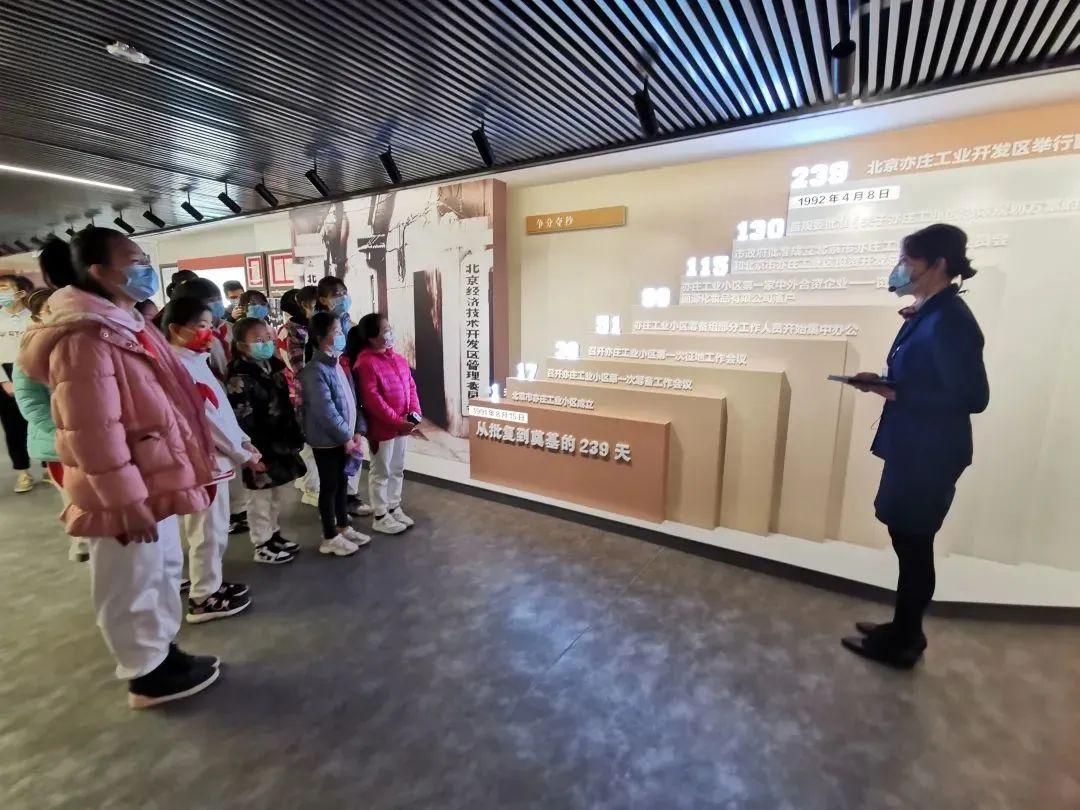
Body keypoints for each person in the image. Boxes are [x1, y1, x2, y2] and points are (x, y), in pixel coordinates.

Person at [20, 229, 220, 708]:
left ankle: (160, 652)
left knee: (160, 568)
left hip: (151, 473)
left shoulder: (123, 322)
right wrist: (123, 501)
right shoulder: (83, 336)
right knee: (130, 578)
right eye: (133, 259)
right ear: (99, 271)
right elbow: (92, 430)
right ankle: (145, 675)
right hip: (122, 486)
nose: (144, 266)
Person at [842, 224, 989, 668]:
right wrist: (884, 383)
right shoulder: (928, 312)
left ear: (938, 264)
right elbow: (928, 378)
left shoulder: (951, 320)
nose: (900, 269)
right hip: (914, 448)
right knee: (906, 541)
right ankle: (903, 628)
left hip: (930, 454)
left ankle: (906, 640)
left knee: (914, 545)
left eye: (908, 261)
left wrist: (894, 392)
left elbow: (973, 397)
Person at [163, 298, 259, 622]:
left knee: (212, 530)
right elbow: (207, 421)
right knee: (207, 532)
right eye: (201, 326)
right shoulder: (179, 368)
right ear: (176, 329)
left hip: (215, 460)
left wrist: (242, 440)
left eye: (210, 325)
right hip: (205, 462)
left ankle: (211, 583)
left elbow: (221, 412)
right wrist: (242, 453)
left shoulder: (195, 361)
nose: (210, 333)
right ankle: (204, 596)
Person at [12, 288, 89, 563]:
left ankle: (91, 537)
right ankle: (81, 542)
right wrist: (60, 433)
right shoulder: (29, 355)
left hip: (91, 437)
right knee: (72, 495)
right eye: (49, 310)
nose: (58, 315)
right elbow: (30, 403)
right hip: (57, 444)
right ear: (36, 317)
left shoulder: (82, 346)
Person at [225, 317, 305, 564]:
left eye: (268, 338)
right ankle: (262, 543)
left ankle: (274, 534)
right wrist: (252, 453)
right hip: (258, 447)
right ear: (241, 345)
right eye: (258, 340)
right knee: (259, 499)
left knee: (275, 495)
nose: (266, 343)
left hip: (279, 442)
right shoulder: (239, 376)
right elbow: (242, 419)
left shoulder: (274, 367)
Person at [299, 311, 371, 556]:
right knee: (329, 487)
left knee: (341, 484)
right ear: (321, 337)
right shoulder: (314, 370)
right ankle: (329, 536)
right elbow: (325, 410)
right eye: (337, 332)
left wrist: (358, 430)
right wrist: (346, 438)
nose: (342, 336)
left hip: (345, 439)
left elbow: (352, 400)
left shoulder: (339, 364)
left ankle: (343, 527)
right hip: (327, 442)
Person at [349, 313, 420, 535]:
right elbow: (373, 400)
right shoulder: (365, 363)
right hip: (382, 429)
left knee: (397, 468)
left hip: (402, 427)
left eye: (390, 328)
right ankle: (380, 515)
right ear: (371, 337)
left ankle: (393, 507)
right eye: (385, 330)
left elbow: (411, 387)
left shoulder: (398, 359)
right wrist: (397, 421)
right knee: (381, 471)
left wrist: (414, 414)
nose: (390, 333)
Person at [316, 275, 373, 517]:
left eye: (344, 292)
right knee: (337, 451)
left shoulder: (350, 322)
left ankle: (350, 497)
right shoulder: (319, 326)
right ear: (323, 299)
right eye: (335, 294)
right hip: (333, 387)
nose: (342, 298)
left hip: (352, 383)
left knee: (356, 443)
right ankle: (334, 509)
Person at [277, 286, 321, 505]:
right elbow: (298, 367)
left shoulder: (311, 327)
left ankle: (310, 483)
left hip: (315, 392)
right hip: (301, 394)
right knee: (309, 445)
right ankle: (311, 488)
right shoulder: (291, 332)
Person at [0, 273, 35, 493]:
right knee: (13, 427)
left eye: (4, 288)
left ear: (20, 292)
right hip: (5, 373)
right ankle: (23, 472)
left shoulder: (34, 317)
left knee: (41, 421)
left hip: (33, 372)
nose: (0, 293)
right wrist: (4, 381)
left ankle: (49, 466)